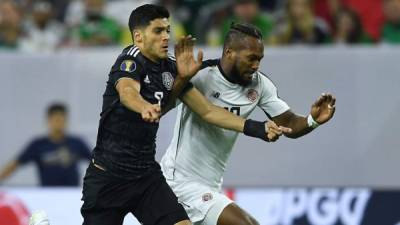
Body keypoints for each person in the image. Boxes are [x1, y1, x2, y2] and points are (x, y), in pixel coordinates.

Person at [80, 4, 288, 225]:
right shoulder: (129, 60)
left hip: (146, 177)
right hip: (109, 177)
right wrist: (144, 107)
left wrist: (258, 127)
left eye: (168, 30)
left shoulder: (170, 67)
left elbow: (207, 111)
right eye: (158, 31)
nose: (166, 37)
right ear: (138, 37)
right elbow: (127, 91)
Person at [161, 22, 336, 225]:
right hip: (180, 180)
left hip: (210, 185)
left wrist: (312, 120)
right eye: (251, 58)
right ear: (229, 52)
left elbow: (289, 123)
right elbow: (163, 108)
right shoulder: (201, 75)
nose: (256, 66)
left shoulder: (259, 85)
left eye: (259, 59)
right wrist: (181, 79)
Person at [0, 103, 92, 186]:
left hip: (71, 194)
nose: (59, 123)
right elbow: (15, 164)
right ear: (49, 120)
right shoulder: (38, 145)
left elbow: (95, 162)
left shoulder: (76, 143)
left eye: (62, 120)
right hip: (47, 195)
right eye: (56, 120)